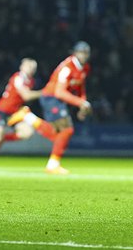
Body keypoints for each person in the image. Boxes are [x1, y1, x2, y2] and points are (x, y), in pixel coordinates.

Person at [0, 57, 51, 167]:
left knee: (27, 133)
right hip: (2, 110)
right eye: (28, 66)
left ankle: (4, 138)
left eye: (33, 67)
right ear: (22, 67)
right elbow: (26, 96)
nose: (31, 69)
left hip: (15, 112)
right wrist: (44, 92)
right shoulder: (18, 78)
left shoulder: (31, 81)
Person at [36, 41, 92, 175]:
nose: (83, 55)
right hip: (51, 97)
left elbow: (80, 86)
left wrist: (82, 103)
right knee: (67, 130)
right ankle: (53, 164)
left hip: (58, 99)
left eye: (86, 53)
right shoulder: (67, 67)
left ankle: (27, 117)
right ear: (74, 53)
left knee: (58, 134)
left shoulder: (85, 68)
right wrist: (80, 103)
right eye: (81, 52)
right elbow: (59, 92)